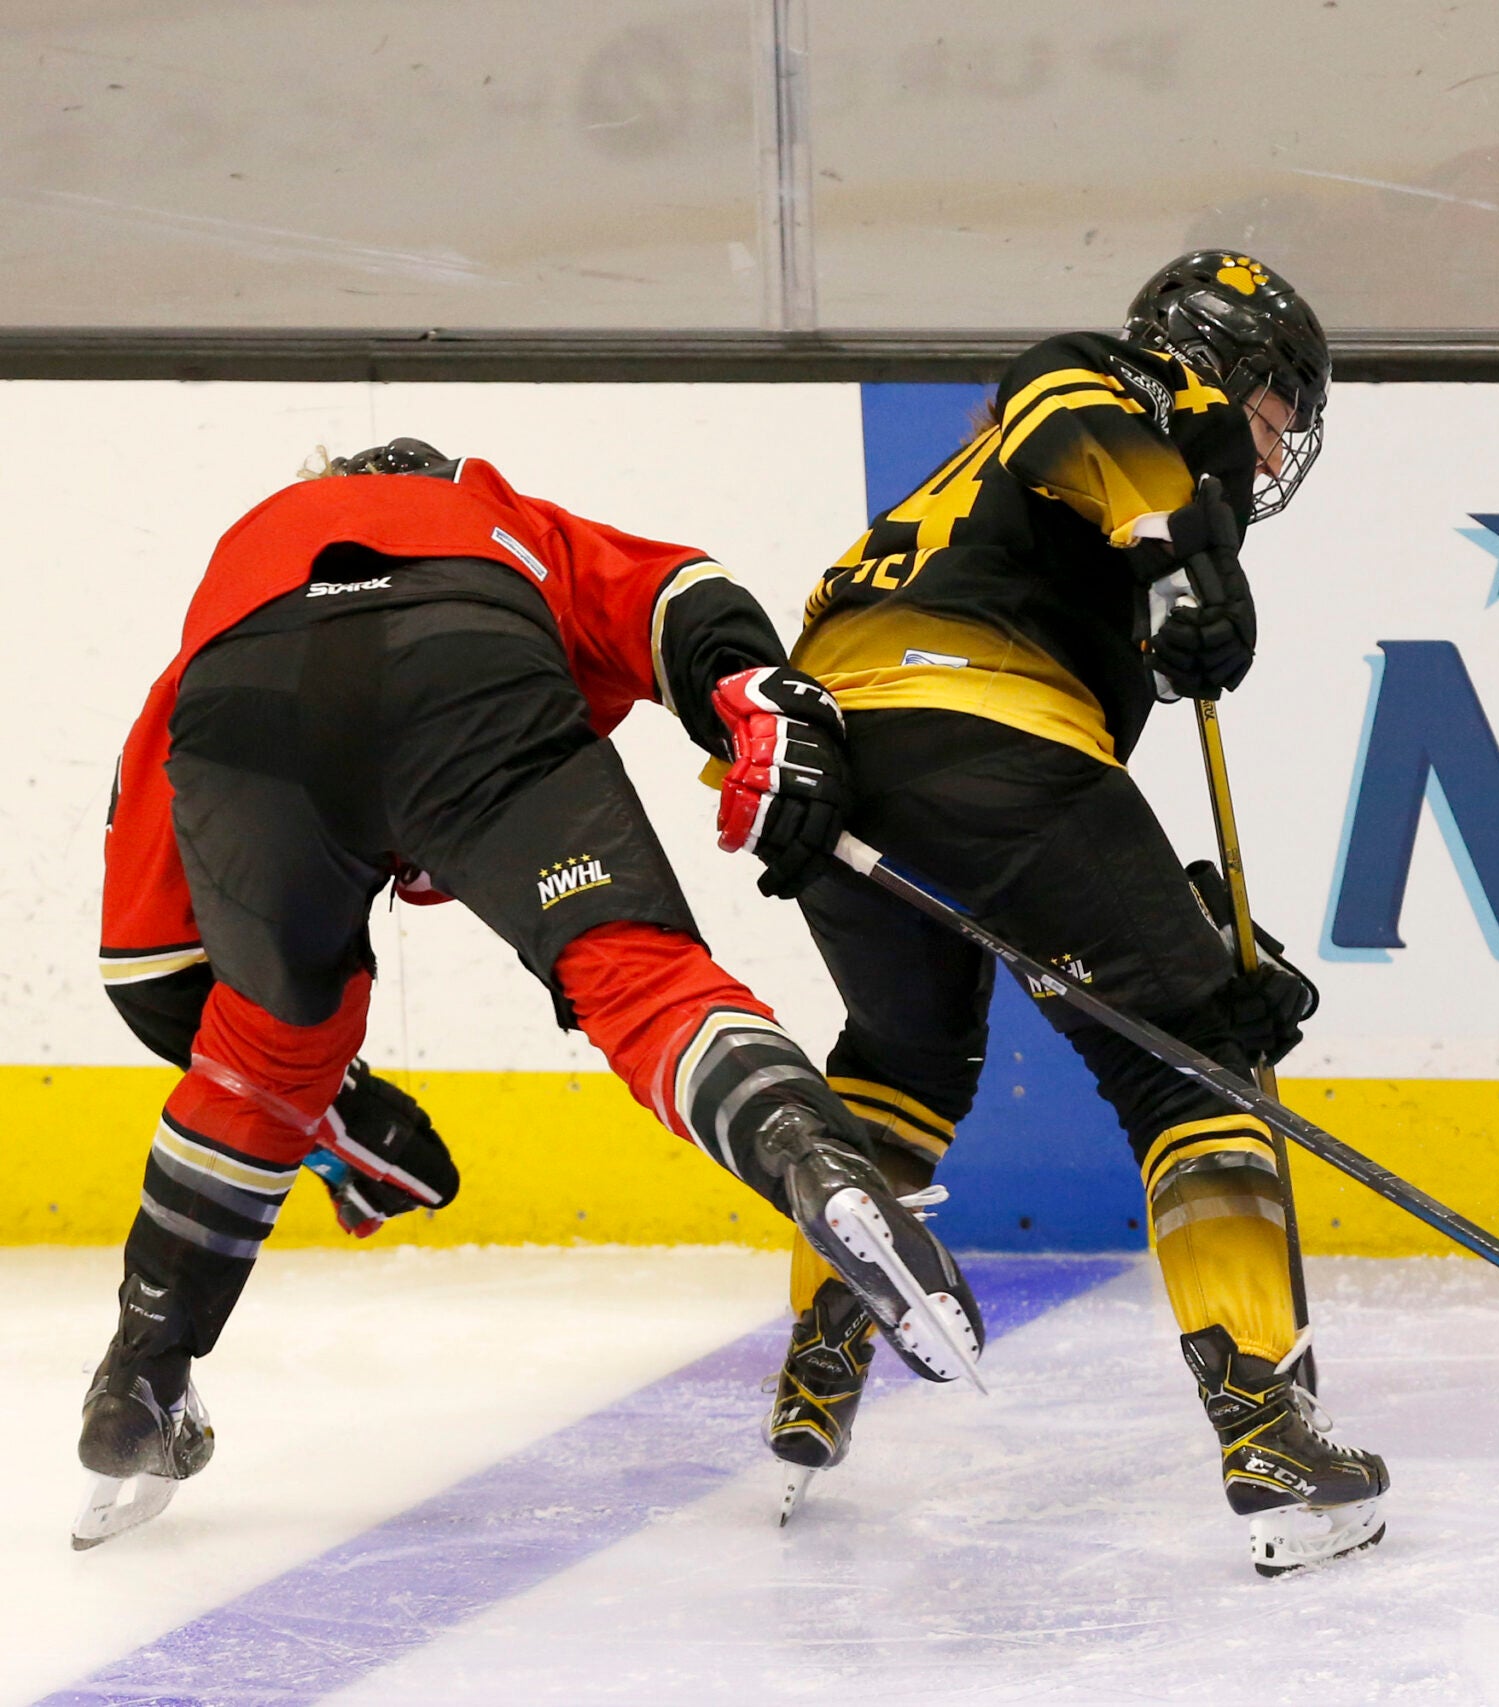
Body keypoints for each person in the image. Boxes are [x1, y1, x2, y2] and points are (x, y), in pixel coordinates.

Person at [76, 441, 984, 1549]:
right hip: (463, 659)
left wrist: (336, 1111)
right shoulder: (486, 511)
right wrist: (747, 695)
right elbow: (675, 593)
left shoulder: (230, 587)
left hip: (245, 710)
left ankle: (139, 1378)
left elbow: (150, 972)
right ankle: (819, 1160)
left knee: (258, 1051)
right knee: (637, 976)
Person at [760, 251, 1388, 1575]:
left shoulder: (1034, 500)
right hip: (984, 725)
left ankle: (821, 1364)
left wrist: (1195, 940)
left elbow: (1060, 872)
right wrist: (1177, 553)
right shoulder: (1113, 388)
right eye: (1277, 405)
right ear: (1216, 363)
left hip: (836, 766)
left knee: (904, 1061)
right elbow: (1068, 416)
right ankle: (1265, 1416)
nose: (1277, 445)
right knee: (1192, 1069)